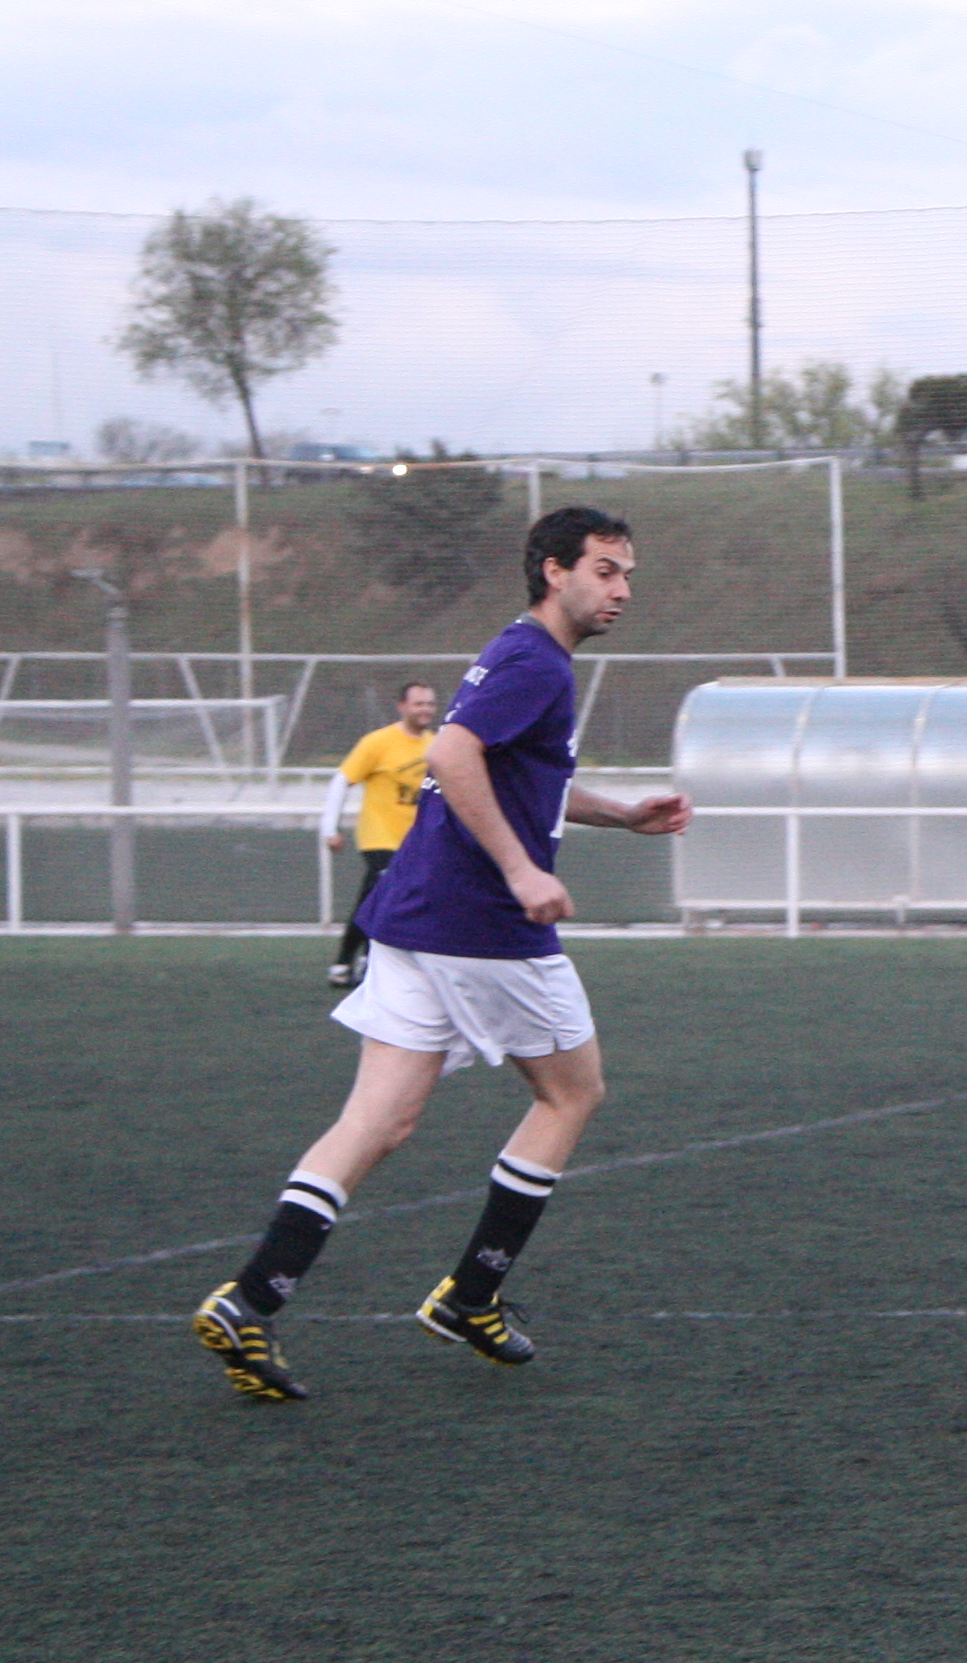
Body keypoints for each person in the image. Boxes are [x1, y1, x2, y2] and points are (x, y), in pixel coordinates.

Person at [189, 510, 691, 1402]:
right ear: (554, 571)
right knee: (572, 1093)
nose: (622, 591)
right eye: (606, 571)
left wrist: (620, 814)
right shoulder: (537, 662)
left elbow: (513, 773)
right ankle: (471, 1294)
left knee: (377, 1122)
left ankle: (251, 1300)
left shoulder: (518, 652)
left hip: (413, 914)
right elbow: (454, 756)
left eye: (627, 576)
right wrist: (521, 869)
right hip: (481, 924)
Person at [320, 680, 440, 988]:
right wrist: (330, 828)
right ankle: (345, 962)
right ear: (402, 707)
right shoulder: (378, 742)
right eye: (418, 703)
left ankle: (367, 960)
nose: (425, 709)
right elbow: (342, 780)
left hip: (418, 842)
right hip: (381, 838)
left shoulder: (437, 745)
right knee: (380, 895)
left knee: (391, 903)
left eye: (430, 704)